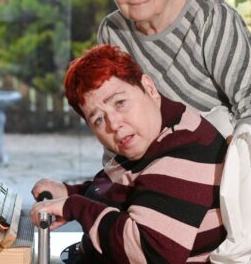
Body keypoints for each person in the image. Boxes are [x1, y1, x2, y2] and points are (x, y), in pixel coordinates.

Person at [97, 0, 251, 263]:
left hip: (210, 157)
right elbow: (117, 112)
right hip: (150, 161)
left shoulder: (211, 19)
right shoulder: (113, 31)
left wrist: (226, 162)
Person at [30, 44, 228, 263]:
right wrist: (69, 192)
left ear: (148, 87)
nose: (114, 124)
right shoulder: (152, 135)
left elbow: (150, 254)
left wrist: (76, 206)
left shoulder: (184, 151)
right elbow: (129, 191)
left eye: (120, 103)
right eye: (98, 119)